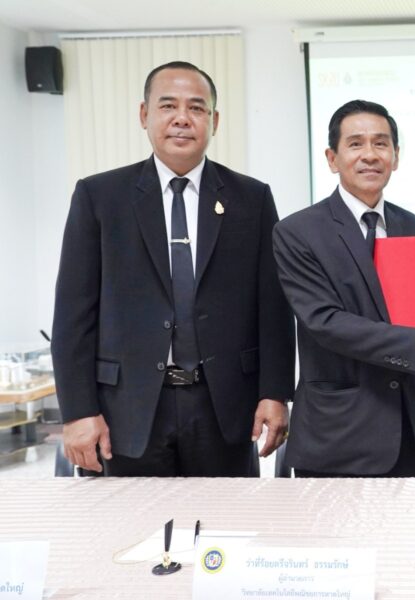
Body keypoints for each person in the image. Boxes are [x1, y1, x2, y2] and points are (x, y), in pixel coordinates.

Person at [52, 61, 295, 476]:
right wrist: (77, 412)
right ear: (144, 114)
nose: (182, 118)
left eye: (197, 108)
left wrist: (275, 393)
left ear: (214, 121)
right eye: (168, 106)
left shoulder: (251, 199)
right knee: (130, 518)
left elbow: (272, 308)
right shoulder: (100, 196)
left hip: (224, 407)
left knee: (227, 517)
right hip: (126, 410)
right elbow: (74, 314)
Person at [272, 100, 415, 477]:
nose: (370, 155)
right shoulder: (297, 232)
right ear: (332, 158)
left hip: (408, 431)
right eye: (355, 144)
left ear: (396, 156)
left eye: (381, 143)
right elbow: (326, 323)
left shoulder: (413, 226)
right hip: (337, 435)